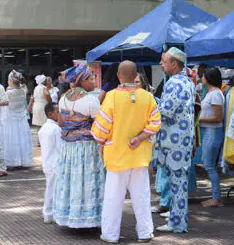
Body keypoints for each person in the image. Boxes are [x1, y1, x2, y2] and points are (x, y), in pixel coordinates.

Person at [92, 61, 161, 243]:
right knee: (142, 197)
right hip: (140, 155)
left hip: (116, 156)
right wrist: (139, 138)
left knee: (113, 199)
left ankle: (111, 235)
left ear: (119, 76)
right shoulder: (148, 97)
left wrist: (100, 141)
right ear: (136, 74)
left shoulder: (112, 97)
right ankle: (145, 233)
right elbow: (155, 124)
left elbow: (100, 129)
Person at [53, 63, 104, 229]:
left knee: (71, 180)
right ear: (82, 81)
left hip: (69, 148)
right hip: (87, 148)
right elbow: (100, 127)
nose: (94, 80)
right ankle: (89, 218)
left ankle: (70, 215)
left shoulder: (63, 99)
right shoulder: (91, 101)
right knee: (87, 181)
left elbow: (61, 122)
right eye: (91, 78)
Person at [154, 47, 195, 233]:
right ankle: (177, 219)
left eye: (164, 62)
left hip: (174, 142)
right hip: (182, 141)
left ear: (174, 64)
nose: (161, 65)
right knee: (179, 184)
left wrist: (150, 102)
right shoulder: (187, 81)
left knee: (177, 185)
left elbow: (165, 112)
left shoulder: (174, 84)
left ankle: (177, 224)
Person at [198, 67, 225, 208]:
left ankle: (216, 198)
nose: (201, 78)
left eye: (203, 76)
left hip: (213, 132)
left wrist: (199, 119)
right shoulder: (211, 93)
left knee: (209, 165)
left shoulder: (215, 94)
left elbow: (218, 118)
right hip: (208, 132)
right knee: (208, 164)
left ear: (208, 78)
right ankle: (215, 197)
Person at [3, 70, 34, 169]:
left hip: (11, 119)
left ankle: (11, 161)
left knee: (11, 139)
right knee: (21, 139)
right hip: (21, 118)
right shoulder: (23, 91)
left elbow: (5, 103)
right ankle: (21, 161)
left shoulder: (9, 92)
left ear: (11, 80)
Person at [38, 102, 62, 224]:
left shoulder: (43, 128)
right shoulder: (56, 129)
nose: (60, 114)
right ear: (50, 114)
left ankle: (49, 213)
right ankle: (48, 213)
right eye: (57, 112)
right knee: (52, 189)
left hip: (47, 162)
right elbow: (60, 148)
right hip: (55, 163)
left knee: (50, 188)